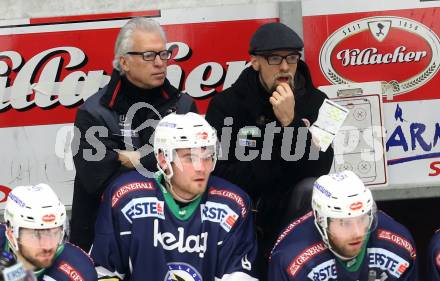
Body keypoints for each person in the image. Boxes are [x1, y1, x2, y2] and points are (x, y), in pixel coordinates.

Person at [205, 21, 334, 269]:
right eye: (274, 59)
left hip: (295, 212)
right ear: (255, 62)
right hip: (245, 211)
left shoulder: (320, 103)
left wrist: (291, 122)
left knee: (310, 187)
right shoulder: (225, 105)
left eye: (292, 58)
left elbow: (321, 167)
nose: (285, 67)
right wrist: (276, 158)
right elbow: (218, 170)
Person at [70, 17, 197, 251]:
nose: (160, 63)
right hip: (104, 243)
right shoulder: (93, 112)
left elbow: (190, 173)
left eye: (164, 54)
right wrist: (162, 158)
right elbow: (97, 181)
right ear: (124, 62)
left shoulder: (183, 107)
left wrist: (131, 158)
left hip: (170, 241)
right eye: (149, 55)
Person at [90, 112, 258, 281]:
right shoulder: (126, 197)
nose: (201, 168)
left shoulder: (233, 205)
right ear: (163, 159)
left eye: (207, 157)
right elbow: (105, 272)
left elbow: (239, 276)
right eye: (190, 158)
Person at [268, 170, 418, 281]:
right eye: (344, 223)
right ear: (321, 219)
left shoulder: (398, 244)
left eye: (362, 219)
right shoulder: (290, 259)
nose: (358, 232)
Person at [1, 184, 97, 281]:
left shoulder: (79, 270)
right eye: (36, 236)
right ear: (11, 233)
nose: (48, 246)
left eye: (55, 233)